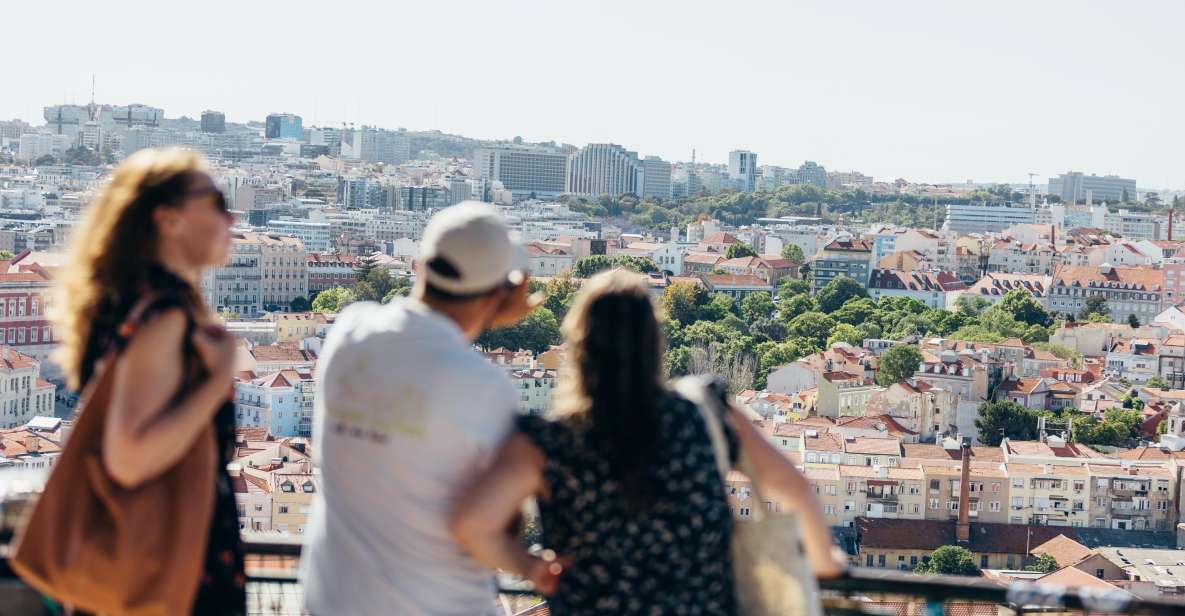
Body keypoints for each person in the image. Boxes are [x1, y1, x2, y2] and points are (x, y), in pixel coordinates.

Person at [451, 269, 845, 615]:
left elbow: (472, 525)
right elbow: (793, 488)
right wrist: (824, 564)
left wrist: (530, 568)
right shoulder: (705, 413)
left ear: (578, 346)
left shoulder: (548, 443)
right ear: (653, 343)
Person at [303, 201, 546, 616]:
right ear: (498, 295)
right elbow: (493, 523)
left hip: (331, 599)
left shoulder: (349, 331)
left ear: (418, 266)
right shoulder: (483, 386)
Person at [54, 148, 244, 614]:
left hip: (137, 570)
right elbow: (130, 457)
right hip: (171, 581)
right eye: (216, 201)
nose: (231, 216)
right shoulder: (164, 315)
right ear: (168, 219)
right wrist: (219, 375)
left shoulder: (126, 304)